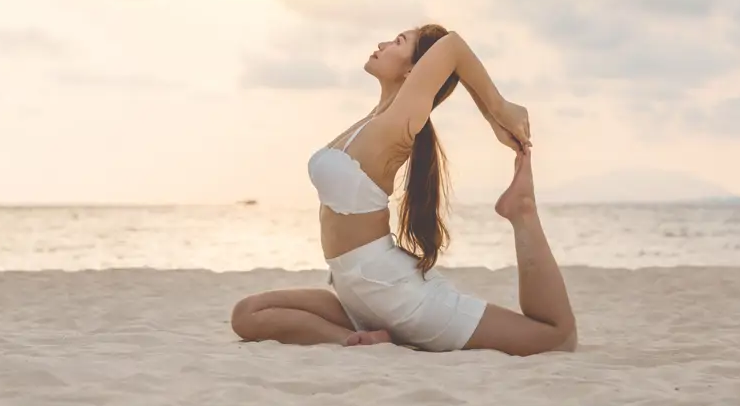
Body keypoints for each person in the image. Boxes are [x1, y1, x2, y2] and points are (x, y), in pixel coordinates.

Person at [230, 24, 577, 355]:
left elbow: (453, 46)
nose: (382, 45)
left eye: (397, 42)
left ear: (415, 71)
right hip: (356, 292)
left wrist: (497, 111)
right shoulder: (373, 119)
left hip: (399, 297)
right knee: (247, 314)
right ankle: (358, 341)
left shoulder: (398, 123)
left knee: (556, 338)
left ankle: (523, 210)